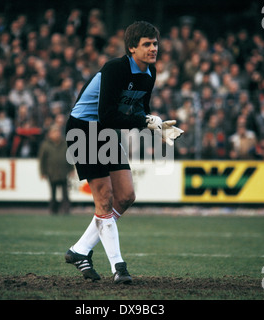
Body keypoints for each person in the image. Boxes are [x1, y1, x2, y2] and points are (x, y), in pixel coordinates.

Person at [64, 21, 181, 284]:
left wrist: (156, 125)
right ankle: (119, 268)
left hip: (104, 131)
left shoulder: (150, 73)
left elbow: (139, 109)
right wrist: (143, 122)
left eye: (155, 43)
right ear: (131, 48)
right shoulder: (115, 68)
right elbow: (107, 116)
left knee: (126, 196)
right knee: (104, 200)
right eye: (147, 44)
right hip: (84, 129)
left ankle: (79, 250)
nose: (154, 48)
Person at [39, 125, 73, 214]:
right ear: (50, 134)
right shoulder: (45, 145)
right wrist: (42, 172)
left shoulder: (65, 143)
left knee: (65, 193)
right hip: (51, 172)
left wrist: (71, 169)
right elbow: (42, 160)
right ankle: (53, 210)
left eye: (58, 132)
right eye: (54, 132)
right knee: (53, 193)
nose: (57, 134)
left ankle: (66, 210)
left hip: (63, 172)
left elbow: (70, 157)